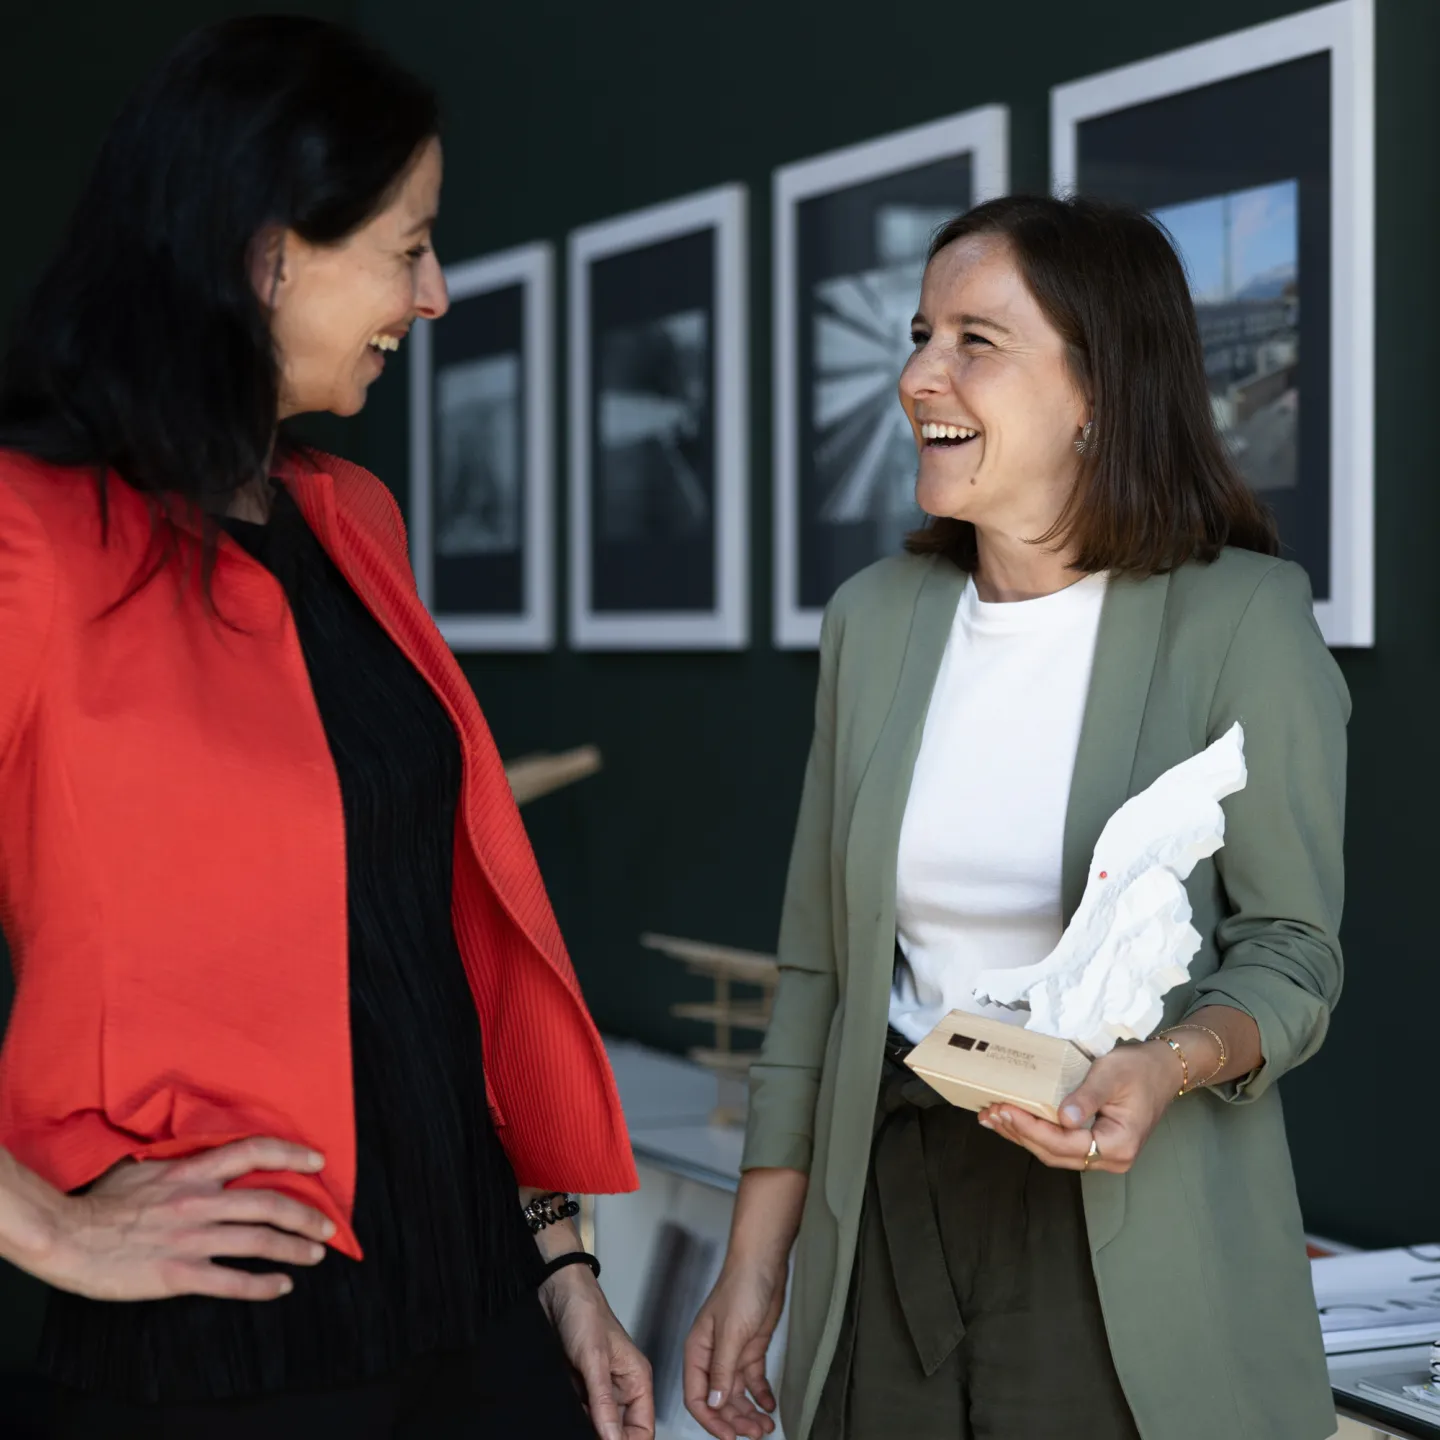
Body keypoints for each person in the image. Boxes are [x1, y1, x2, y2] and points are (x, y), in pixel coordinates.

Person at [0, 17, 652, 1439]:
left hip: (486, 1318)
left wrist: (561, 1261)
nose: (434, 294)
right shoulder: (32, 534)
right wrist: (46, 1231)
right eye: (408, 245)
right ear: (265, 250)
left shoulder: (351, 518)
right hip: (221, 1356)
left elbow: (435, 931)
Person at [684, 194, 1348, 1440]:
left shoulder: (1241, 620)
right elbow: (819, 976)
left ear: (1099, 389)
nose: (919, 375)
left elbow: (1294, 951)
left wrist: (1169, 1064)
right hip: (887, 1200)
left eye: (975, 341)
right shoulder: (874, 620)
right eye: (920, 332)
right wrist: (756, 1265)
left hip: (1116, 1217)